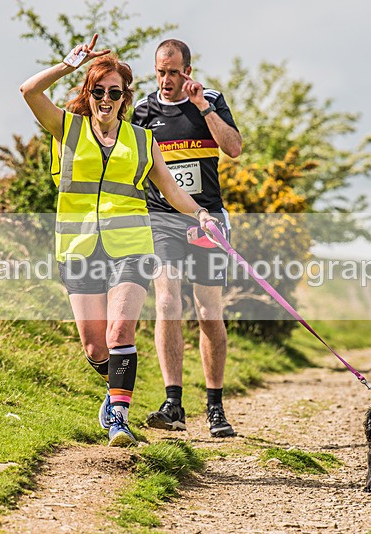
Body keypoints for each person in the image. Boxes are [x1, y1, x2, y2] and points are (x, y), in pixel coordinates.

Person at [20, 34, 219, 447]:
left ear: (125, 98)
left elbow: (170, 189)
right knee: (96, 347)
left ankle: (119, 419)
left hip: (131, 247)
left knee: (120, 332)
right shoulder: (67, 130)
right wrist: (68, 65)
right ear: (89, 94)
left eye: (115, 92)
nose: (106, 98)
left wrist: (200, 214)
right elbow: (29, 91)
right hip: (78, 249)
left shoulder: (142, 140)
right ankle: (115, 388)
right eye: (99, 91)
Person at [131, 39, 243, 438]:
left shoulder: (209, 100)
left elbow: (233, 148)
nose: (165, 80)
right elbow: (130, 166)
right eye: (160, 71)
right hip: (162, 218)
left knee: (208, 312)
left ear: (188, 71)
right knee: (166, 300)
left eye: (173, 72)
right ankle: (173, 402)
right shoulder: (143, 112)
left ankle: (215, 406)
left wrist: (203, 107)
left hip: (207, 220)